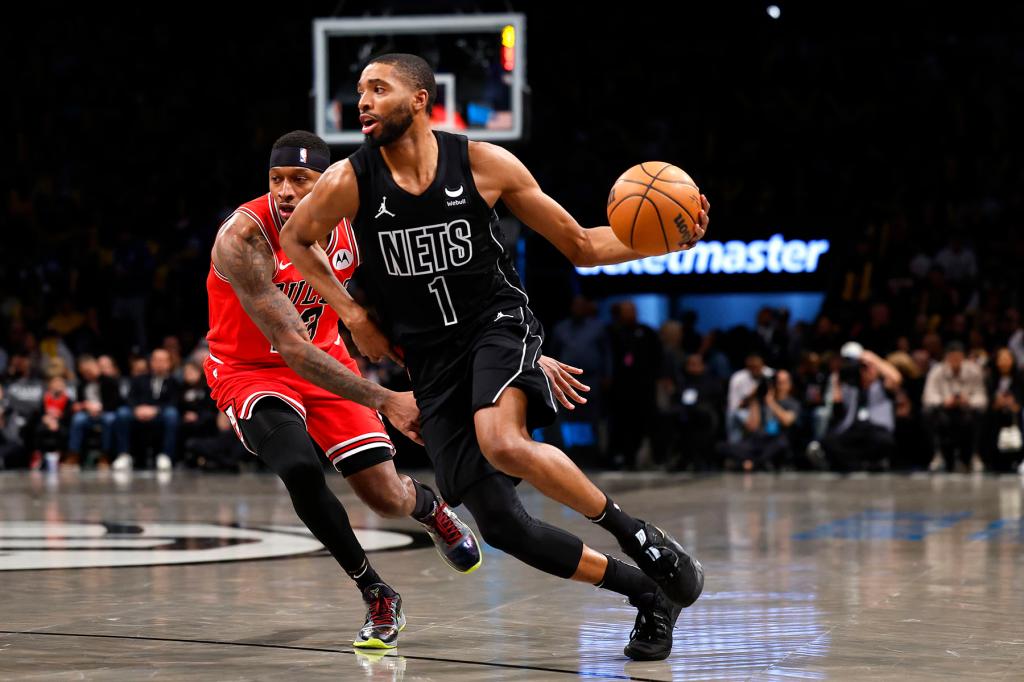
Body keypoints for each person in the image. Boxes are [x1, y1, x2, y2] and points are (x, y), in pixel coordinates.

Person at [281, 53, 710, 661]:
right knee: (504, 527)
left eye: (379, 89)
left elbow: (583, 245)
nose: (364, 102)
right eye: (360, 91)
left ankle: (639, 537)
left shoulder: (483, 163)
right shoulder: (349, 180)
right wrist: (351, 313)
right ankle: (646, 592)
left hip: (495, 325)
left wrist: (669, 241)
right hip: (429, 361)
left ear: (421, 99)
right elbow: (297, 238)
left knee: (503, 441)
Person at [205, 130, 487, 649]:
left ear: (326, 183)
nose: (286, 191)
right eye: (276, 179)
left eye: (300, 180)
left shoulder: (354, 227)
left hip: (328, 362)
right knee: (296, 466)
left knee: (385, 498)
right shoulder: (243, 240)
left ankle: (426, 506)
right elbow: (291, 347)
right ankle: (376, 591)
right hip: (250, 370)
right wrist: (384, 397)